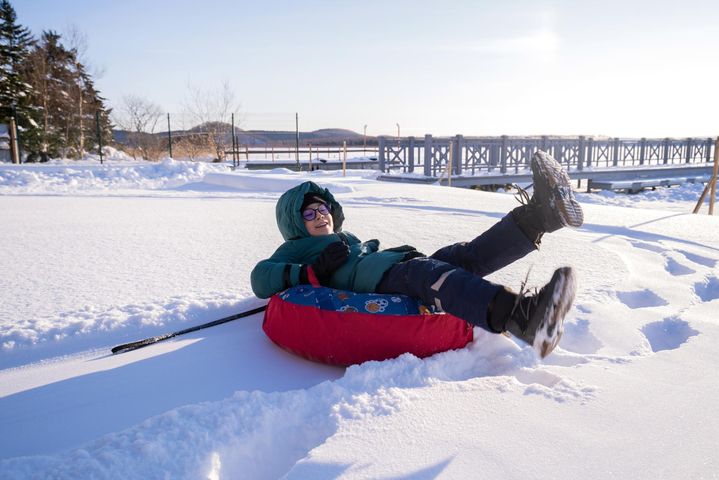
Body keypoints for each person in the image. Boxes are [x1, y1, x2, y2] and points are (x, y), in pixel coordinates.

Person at [251, 151, 584, 358]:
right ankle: (524, 319)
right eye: (308, 214)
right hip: (381, 281)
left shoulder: (344, 236)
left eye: (322, 208)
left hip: (398, 265)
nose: (319, 215)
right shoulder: (295, 247)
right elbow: (261, 277)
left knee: (463, 257)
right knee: (434, 278)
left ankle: (543, 215)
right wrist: (310, 273)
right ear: (294, 223)